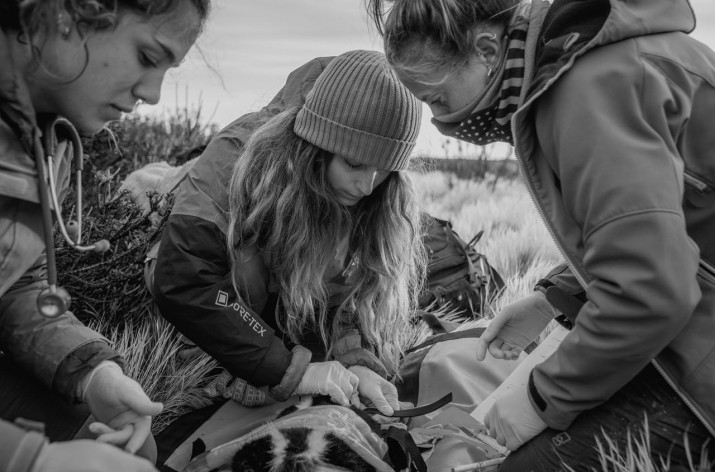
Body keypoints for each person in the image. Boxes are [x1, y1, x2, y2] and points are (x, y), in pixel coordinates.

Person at [368, 0, 715, 470]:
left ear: (487, 49)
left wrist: (540, 399)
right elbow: (667, 227)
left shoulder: (588, 89)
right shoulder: (581, 65)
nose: (438, 121)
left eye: (437, 98)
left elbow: (651, 291)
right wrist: (558, 297)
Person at [148, 50, 425, 418]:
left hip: (275, 306)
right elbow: (184, 276)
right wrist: (291, 372)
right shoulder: (235, 153)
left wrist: (354, 366)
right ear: (317, 144)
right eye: (355, 163)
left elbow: (339, 289)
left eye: (385, 169)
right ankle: (209, 369)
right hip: (201, 300)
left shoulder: (367, 192)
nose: (367, 186)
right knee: (243, 260)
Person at [0, 1, 210, 471]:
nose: (154, 94)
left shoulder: (43, 134)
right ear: (65, 13)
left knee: (129, 450)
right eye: (149, 56)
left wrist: (93, 372)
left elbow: (14, 286)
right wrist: (31, 459)